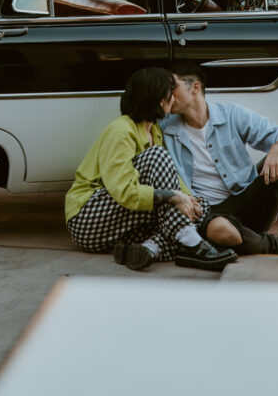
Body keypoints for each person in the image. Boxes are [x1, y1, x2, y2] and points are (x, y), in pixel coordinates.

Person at [65, 66, 237, 272]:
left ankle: (148, 249)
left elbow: (170, 176)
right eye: (169, 93)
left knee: (200, 209)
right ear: (157, 98)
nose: (173, 99)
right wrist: (173, 196)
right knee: (158, 159)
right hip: (88, 219)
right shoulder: (121, 130)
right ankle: (192, 244)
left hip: (118, 226)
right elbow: (123, 191)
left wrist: (189, 200)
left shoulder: (154, 131)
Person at [160, 61, 278, 262]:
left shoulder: (231, 115)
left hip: (249, 202)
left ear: (195, 88)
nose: (168, 95)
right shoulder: (165, 130)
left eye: (172, 86)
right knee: (221, 233)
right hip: (210, 214)